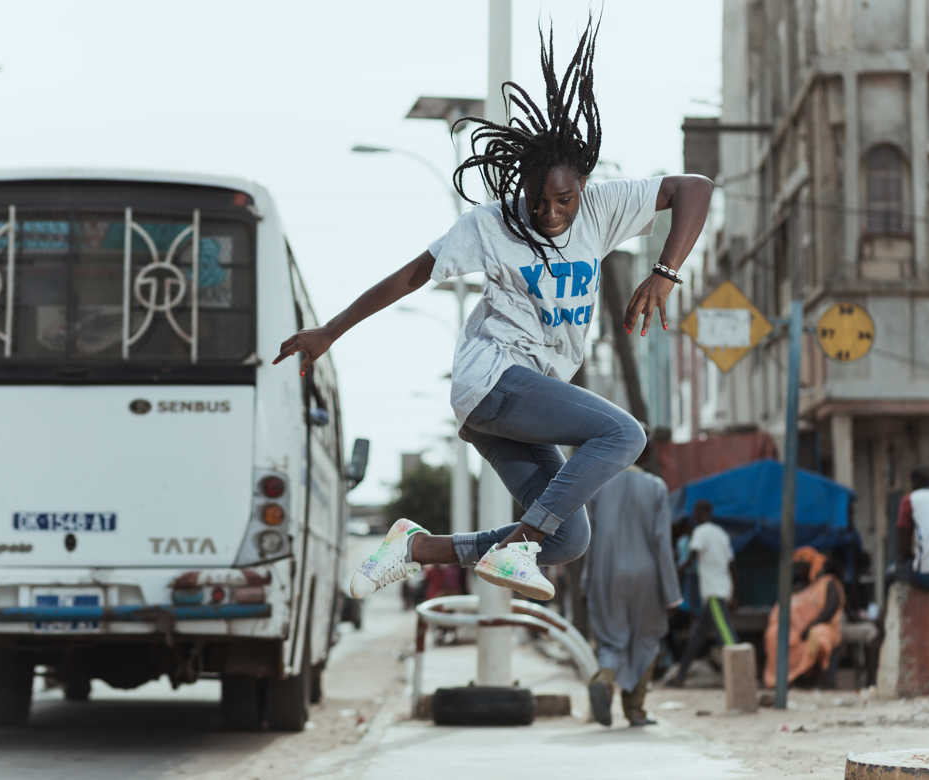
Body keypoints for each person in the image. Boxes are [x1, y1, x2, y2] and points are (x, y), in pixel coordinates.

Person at [274, 17, 713, 602]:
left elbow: (695, 187)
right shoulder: (491, 224)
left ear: (583, 185)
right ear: (519, 184)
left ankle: (419, 548)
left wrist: (664, 272)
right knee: (625, 435)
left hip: (523, 400)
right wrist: (331, 331)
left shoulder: (604, 206)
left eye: (563, 199)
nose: (550, 213)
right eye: (538, 199)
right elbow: (412, 274)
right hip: (494, 381)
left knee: (567, 538)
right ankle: (516, 546)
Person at [582, 430, 681, 727]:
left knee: (611, 638)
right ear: (646, 454)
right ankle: (634, 709)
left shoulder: (596, 486)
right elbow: (662, 541)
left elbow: (588, 537)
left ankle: (605, 678)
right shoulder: (655, 487)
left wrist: (587, 580)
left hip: (605, 572)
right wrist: (672, 593)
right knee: (646, 638)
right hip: (646, 574)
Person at [665, 500, 737, 687]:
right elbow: (731, 565)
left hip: (714, 591)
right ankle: (681, 676)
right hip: (720, 589)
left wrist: (672, 576)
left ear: (701, 513)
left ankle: (740, 676)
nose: (694, 517)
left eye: (695, 513)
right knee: (696, 637)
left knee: (726, 637)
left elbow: (691, 558)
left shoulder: (701, 532)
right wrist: (734, 592)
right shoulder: (721, 534)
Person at [763, 546, 845, 688]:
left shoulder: (828, 583)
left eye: (802, 566)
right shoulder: (798, 588)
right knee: (774, 633)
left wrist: (810, 627)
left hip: (823, 628)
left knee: (819, 634)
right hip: (796, 632)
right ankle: (786, 679)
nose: (798, 570)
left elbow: (830, 609)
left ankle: (820, 681)